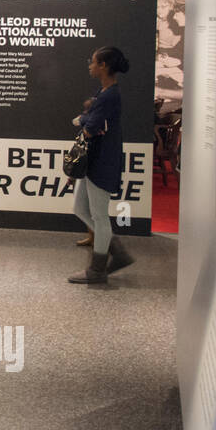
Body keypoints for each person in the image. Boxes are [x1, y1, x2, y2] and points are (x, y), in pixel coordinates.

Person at [69, 46, 133, 283]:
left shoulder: (109, 96)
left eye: (93, 61)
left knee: (99, 216)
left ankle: (97, 270)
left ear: (103, 66)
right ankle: (117, 251)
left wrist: (83, 118)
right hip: (94, 160)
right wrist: (87, 117)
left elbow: (90, 126)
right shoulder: (104, 92)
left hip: (102, 162)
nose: (90, 65)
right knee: (81, 209)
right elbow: (92, 120)